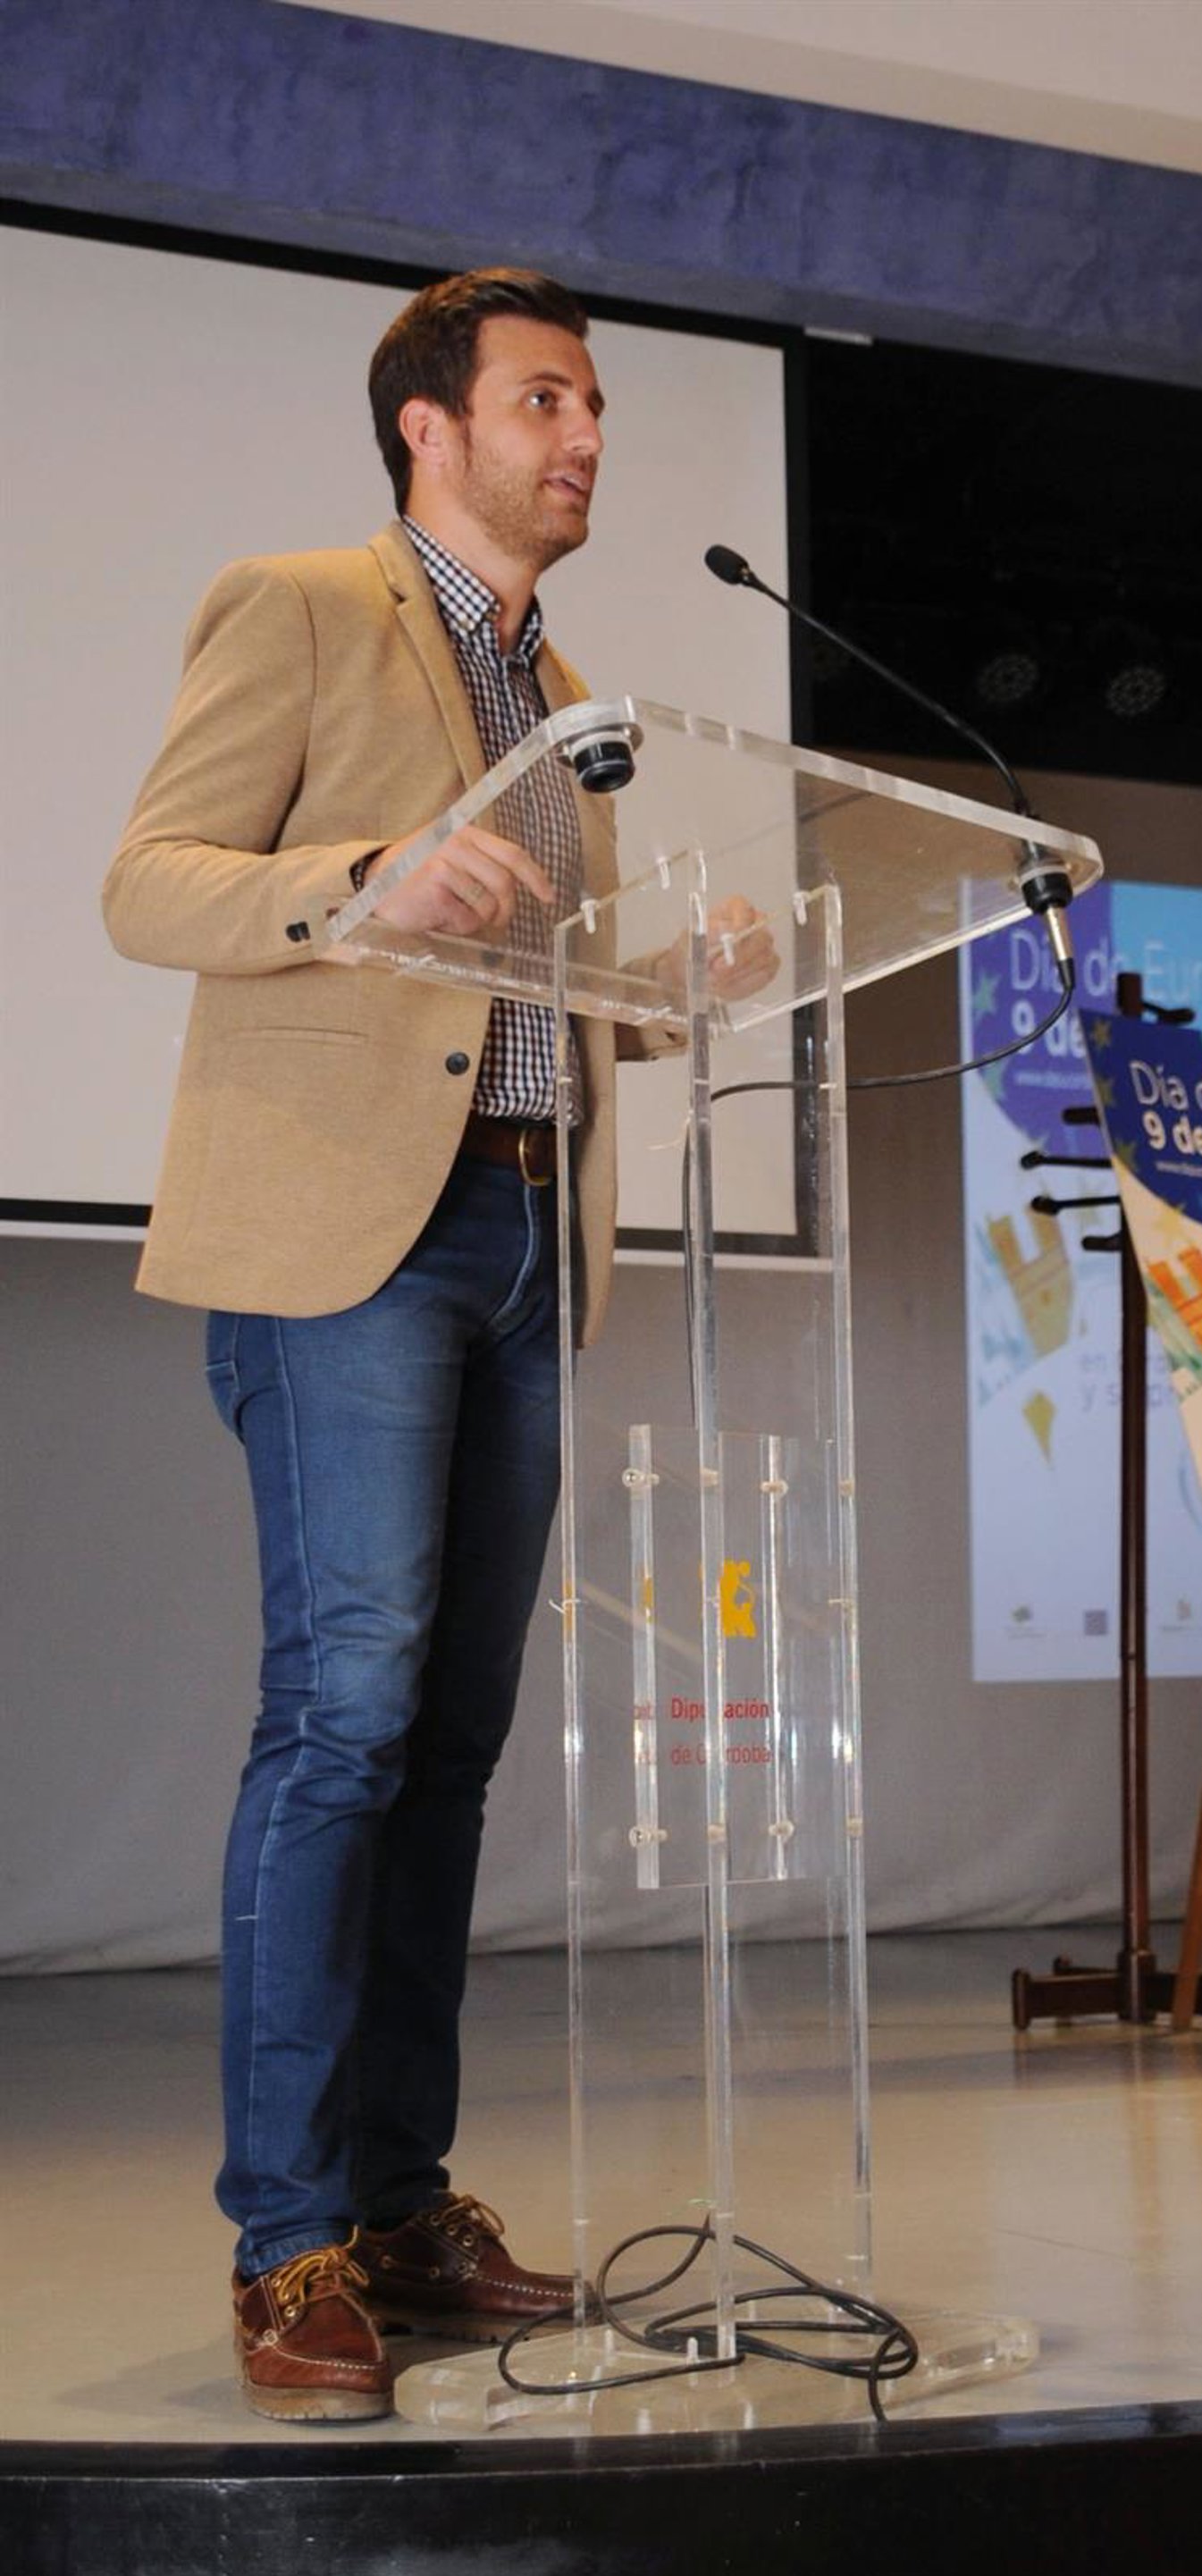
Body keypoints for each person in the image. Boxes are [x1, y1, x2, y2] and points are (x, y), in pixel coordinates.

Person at [104, 267, 770, 2421]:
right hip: (354, 1246)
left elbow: (539, 989)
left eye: (596, 406)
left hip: (525, 1236)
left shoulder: (562, 688)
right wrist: (366, 876)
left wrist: (680, 979)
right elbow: (152, 881)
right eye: (548, 398)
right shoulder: (302, 607)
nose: (587, 437)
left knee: (457, 1741)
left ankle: (401, 2207)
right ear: (432, 425)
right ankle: (286, 2237)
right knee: (346, 1719)